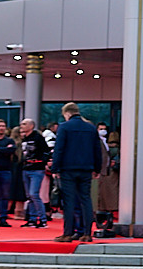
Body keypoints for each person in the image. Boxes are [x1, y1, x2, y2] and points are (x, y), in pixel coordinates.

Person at [48, 103, 101, 242]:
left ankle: (67, 233)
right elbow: (97, 149)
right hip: (86, 168)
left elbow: (59, 149)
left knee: (69, 201)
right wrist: (97, 168)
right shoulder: (90, 127)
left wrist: (55, 168)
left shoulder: (64, 127)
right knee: (86, 199)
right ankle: (87, 233)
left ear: (66, 114)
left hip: (68, 168)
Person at [18, 119, 51, 228]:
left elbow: (47, 152)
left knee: (34, 194)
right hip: (26, 169)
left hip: (36, 169)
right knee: (29, 196)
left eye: (24, 124)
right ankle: (32, 219)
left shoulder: (38, 138)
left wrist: (42, 162)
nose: (21, 126)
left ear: (31, 126)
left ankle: (42, 219)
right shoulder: (25, 138)